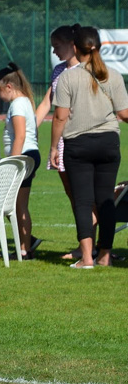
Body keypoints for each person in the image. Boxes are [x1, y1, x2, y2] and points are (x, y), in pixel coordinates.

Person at [52, 25, 128, 268]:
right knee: (106, 199)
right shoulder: (113, 75)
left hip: (78, 144)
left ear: (76, 48)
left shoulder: (67, 77)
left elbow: (60, 117)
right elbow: (124, 114)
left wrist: (54, 148)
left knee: (83, 201)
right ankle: (105, 255)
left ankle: (86, 258)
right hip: (108, 142)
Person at [37, 25, 82, 259]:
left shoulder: (89, 70)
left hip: (81, 138)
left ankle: (95, 246)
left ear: (72, 45)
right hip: (62, 141)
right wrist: (29, 127)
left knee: (85, 195)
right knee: (72, 194)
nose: (54, 51)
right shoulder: (59, 71)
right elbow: (47, 101)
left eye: (57, 46)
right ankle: (85, 244)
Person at [0, 62, 40, 259]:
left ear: (9, 87)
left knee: (18, 205)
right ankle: (25, 246)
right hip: (28, 156)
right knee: (20, 204)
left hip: (23, 156)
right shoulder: (25, 101)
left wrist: (12, 163)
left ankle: (24, 249)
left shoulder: (18, 104)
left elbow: (19, 136)